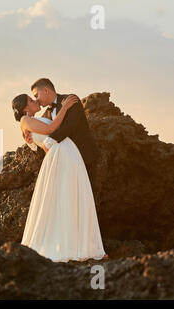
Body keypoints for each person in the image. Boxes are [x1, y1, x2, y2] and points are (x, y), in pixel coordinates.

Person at [12, 82, 107, 262]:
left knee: (85, 199)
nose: (37, 101)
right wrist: (39, 140)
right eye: (32, 99)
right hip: (63, 158)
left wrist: (44, 140)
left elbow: (67, 128)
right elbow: (49, 130)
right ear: (25, 108)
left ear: (46, 90)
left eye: (36, 96)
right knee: (66, 200)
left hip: (82, 155)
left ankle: (88, 245)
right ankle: (69, 245)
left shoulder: (70, 100)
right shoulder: (40, 116)